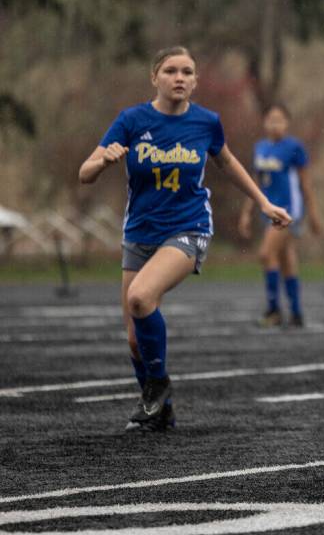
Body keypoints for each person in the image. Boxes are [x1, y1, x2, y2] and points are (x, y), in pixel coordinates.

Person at [79, 46, 292, 432]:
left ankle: (157, 385)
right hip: (139, 233)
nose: (179, 78)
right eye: (171, 71)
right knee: (133, 340)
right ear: (155, 78)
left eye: (187, 72)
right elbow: (84, 173)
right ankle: (161, 410)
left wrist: (263, 202)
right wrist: (103, 161)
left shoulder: (206, 122)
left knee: (141, 298)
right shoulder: (131, 120)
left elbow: (227, 163)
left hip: (188, 228)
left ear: (195, 81)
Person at [238, 103, 323, 328]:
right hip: (269, 209)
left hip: (289, 211)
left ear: (287, 123)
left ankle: (274, 310)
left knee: (266, 253)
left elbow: (305, 184)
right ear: (264, 122)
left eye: (280, 120)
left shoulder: (293, 147)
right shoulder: (261, 148)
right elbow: (255, 183)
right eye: (271, 119)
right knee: (285, 259)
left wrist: (313, 214)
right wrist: (247, 212)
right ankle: (296, 312)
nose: (275, 124)